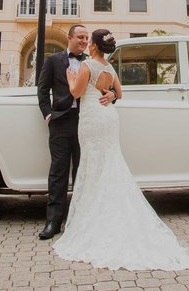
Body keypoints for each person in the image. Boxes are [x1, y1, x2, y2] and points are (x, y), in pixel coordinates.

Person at [52, 28, 189, 271]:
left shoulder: (86, 66)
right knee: (110, 163)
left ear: (94, 46)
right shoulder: (109, 68)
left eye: (90, 42)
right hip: (108, 117)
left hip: (92, 119)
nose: (87, 45)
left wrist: (70, 77)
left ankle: (95, 221)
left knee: (92, 166)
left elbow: (75, 93)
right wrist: (109, 94)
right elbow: (119, 93)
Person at [36, 25, 117, 240]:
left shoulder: (93, 62)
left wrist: (112, 96)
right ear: (69, 37)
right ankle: (53, 221)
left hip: (88, 122)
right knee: (58, 172)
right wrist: (48, 115)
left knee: (84, 171)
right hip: (61, 122)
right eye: (80, 37)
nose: (83, 41)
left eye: (86, 38)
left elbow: (111, 88)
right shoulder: (53, 61)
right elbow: (42, 90)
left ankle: (82, 220)